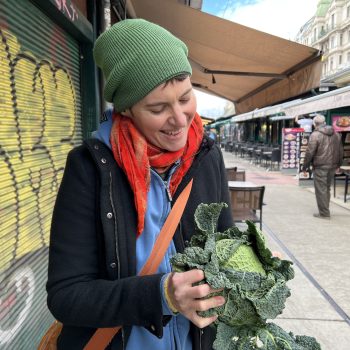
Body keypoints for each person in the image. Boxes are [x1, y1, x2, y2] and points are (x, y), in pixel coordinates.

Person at [46, 19, 233, 350]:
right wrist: (161, 294)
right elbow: (66, 296)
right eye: (158, 108)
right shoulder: (88, 169)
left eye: (186, 97)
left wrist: (251, 261)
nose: (179, 118)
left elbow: (225, 248)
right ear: (127, 109)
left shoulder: (208, 156)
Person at [302, 114, 343, 219]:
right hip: (332, 166)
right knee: (327, 188)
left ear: (315, 124)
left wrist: (304, 167)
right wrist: (339, 164)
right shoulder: (336, 134)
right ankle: (325, 210)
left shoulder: (315, 135)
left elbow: (310, 152)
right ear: (324, 122)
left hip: (320, 166)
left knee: (321, 190)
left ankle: (324, 213)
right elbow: (340, 150)